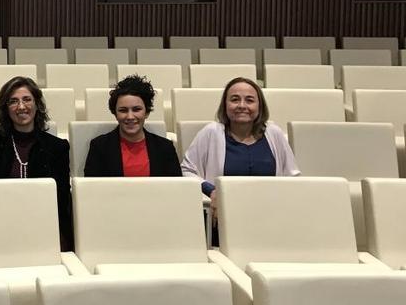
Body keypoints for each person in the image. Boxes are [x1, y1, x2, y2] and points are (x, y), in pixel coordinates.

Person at [0, 76, 73, 251]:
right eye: (13, 101)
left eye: (27, 99)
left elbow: (62, 198)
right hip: (0, 224)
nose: (21, 106)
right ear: (6, 108)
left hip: (43, 226)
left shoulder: (57, 147)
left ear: (37, 104)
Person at [181, 76, 300, 218]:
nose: (242, 105)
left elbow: (293, 177)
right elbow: (187, 170)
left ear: (259, 106)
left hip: (270, 214)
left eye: (249, 100)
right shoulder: (211, 132)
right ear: (225, 105)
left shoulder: (274, 133)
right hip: (225, 216)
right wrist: (212, 191)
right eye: (235, 99)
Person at [84, 74, 181, 177]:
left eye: (136, 109)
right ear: (115, 114)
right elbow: (92, 188)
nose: (130, 116)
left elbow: (175, 187)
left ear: (146, 112)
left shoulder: (165, 147)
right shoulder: (99, 146)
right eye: (123, 110)